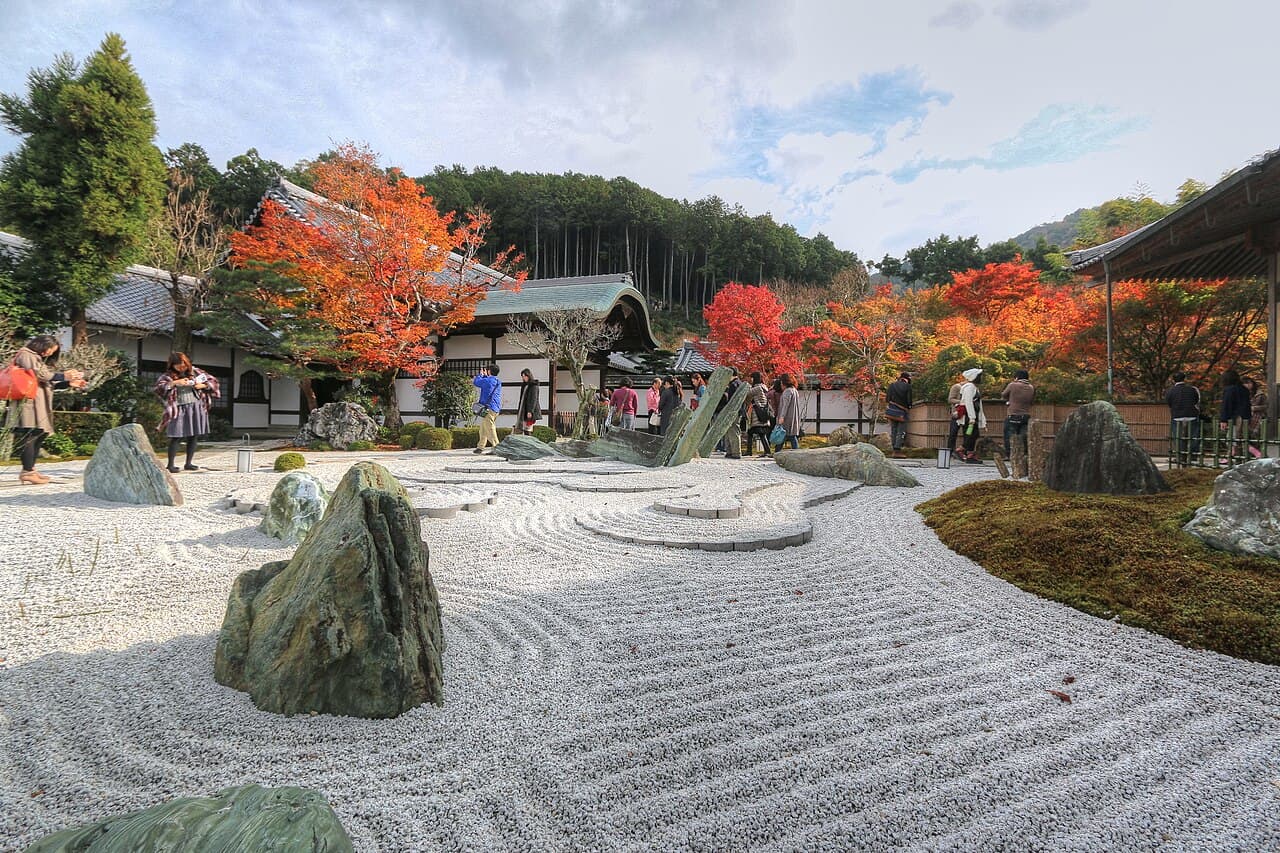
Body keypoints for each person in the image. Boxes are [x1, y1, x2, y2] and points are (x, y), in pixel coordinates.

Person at [9, 335, 85, 485]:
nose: (49, 353)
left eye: (52, 351)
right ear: (41, 344)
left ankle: (30, 469)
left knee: (39, 433)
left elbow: (48, 383)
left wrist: (69, 383)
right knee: (29, 435)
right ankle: (27, 472)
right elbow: (41, 375)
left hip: (38, 403)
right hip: (27, 404)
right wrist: (64, 375)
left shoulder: (35, 357)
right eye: (50, 349)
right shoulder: (26, 354)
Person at [153, 351, 220, 473]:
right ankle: (170, 465)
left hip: (196, 406)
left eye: (183, 363)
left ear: (187, 362)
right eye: (177, 365)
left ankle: (189, 463)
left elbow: (213, 381)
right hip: (178, 407)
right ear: (172, 365)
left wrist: (204, 386)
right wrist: (174, 383)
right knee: (176, 436)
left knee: (193, 435)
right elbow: (158, 388)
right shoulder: (168, 376)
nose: (181, 367)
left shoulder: (195, 371)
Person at [1000, 369, 1035, 463]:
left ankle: (1010, 455)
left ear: (1016, 377)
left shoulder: (1013, 385)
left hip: (1013, 415)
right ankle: (1023, 455)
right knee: (1023, 437)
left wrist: (1009, 400)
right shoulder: (1031, 387)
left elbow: (1003, 394)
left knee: (1010, 436)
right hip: (1026, 415)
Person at [1165, 371, 1201, 463]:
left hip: (1177, 415)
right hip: (1191, 414)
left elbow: (1169, 403)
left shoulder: (1170, 391)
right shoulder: (1192, 389)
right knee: (1194, 435)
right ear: (1184, 379)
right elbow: (1196, 400)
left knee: (1178, 436)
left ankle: (1180, 455)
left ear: (1173, 380)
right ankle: (1193, 455)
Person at [1219, 369, 1251, 460]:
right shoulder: (1244, 389)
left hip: (1235, 416)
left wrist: (1223, 419)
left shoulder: (1229, 389)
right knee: (1241, 437)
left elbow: (1227, 404)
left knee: (1232, 437)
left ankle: (1231, 454)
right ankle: (1237, 454)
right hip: (1245, 416)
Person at [957, 368, 986, 464]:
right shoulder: (970, 387)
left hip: (971, 415)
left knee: (972, 435)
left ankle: (969, 453)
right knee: (971, 434)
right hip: (969, 416)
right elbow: (968, 402)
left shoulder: (972, 387)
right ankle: (963, 450)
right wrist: (972, 417)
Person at [472, 364, 501, 454]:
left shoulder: (487, 381)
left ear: (489, 371)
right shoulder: (497, 381)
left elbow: (476, 382)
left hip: (489, 408)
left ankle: (497, 447)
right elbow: (486, 383)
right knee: (484, 428)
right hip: (495, 408)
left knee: (490, 428)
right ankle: (480, 447)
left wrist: (480, 375)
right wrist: (485, 376)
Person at [714, 368, 743, 458]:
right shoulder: (739, 383)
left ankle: (736, 452)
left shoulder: (734, 384)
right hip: (737, 410)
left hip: (733, 411)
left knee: (733, 430)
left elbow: (730, 400)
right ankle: (730, 451)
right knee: (730, 431)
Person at [884, 372, 912, 458]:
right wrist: (908, 407)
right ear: (907, 379)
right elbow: (909, 401)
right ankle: (898, 450)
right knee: (901, 431)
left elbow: (887, 398)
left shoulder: (892, 385)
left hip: (892, 411)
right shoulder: (908, 387)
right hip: (902, 412)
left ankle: (893, 449)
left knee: (894, 430)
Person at [745, 372, 773, 457]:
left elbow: (747, 394)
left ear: (755, 378)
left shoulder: (757, 388)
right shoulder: (764, 387)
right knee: (758, 433)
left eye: (751, 377)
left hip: (757, 413)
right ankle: (766, 451)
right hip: (762, 412)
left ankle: (751, 451)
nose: (750, 379)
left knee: (754, 432)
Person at [774, 373, 801, 452]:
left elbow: (785, 405)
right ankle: (778, 451)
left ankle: (778, 451)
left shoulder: (787, 391)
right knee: (789, 435)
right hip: (794, 417)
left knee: (784, 434)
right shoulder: (794, 390)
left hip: (787, 418)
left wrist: (782, 416)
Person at [515, 369, 540, 434]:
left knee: (528, 429)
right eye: (522, 376)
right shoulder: (524, 385)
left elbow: (533, 399)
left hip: (529, 410)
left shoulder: (533, 386)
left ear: (528, 376)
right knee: (522, 427)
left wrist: (530, 411)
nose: (523, 378)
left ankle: (529, 443)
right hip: (523, 409)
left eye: (524, 376)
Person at [946, 373, 965, 454]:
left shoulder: (972, 388)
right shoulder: (957, 387)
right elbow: (950, 399)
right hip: (957, 412)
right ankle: (950, 451)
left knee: (967, 434)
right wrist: (962, 402)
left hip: (967, 413)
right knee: (953, 433)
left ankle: (964, 451)